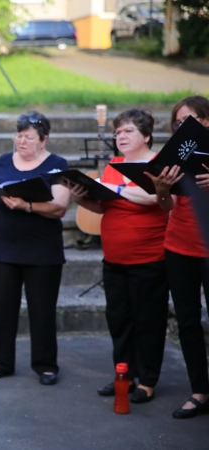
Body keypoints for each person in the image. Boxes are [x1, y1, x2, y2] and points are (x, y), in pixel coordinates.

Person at [66, 109, 169, 405]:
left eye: (128, 132)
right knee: (119, 320)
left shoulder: (156, 165)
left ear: (146, 136)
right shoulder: (113, 164)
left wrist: (116, 187)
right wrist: (83, 197)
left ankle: (148, 381)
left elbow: (154, 199)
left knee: (148, 321)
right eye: (118, 132)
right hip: (114, 257)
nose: (120, 137)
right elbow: (104, 207)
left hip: (148, 257)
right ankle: (124, 374)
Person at [0, 111, 70, 385]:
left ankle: (46, 365)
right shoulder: (4, 161)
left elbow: (60, 207)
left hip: (42, 249)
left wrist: (28, 206)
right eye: (19, 135)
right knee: (3, 307)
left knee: (42, 309)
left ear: (44, 139)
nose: (22, 141)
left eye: (28, 136)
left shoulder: (57, 164)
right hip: (4, 246)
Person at [146, 95, 209, 419]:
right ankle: (200, 390)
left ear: (207, 121)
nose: (182, 127)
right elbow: (166, 206)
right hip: (179, 246)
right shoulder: (174, 155)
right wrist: (161, 188)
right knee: (187, 321)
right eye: (177, 123)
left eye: (190, 121)